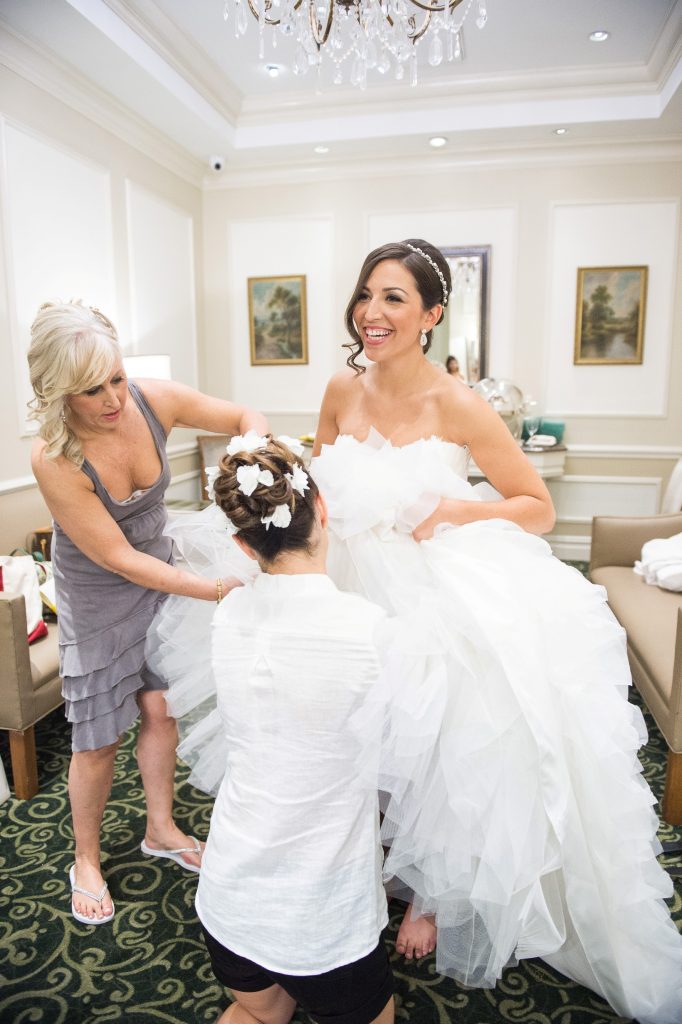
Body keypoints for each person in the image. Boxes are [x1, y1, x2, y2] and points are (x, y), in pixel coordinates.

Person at [308, 239, 682, 1024]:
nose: (372, 313)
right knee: (360, 730)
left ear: (432, 315)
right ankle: (370, 859)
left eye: (395, 299)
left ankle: (434, 890)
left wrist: (457, 509)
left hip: (434, 578)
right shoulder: (340, 386)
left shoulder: (460, 403)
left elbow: (536, 506)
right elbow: (318, 481)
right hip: (348, 580)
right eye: (366, 295)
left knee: (450, 733)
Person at [27, 300, 268, 926]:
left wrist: (249, 460)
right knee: (98, 740)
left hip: (165, 572)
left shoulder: (149, 399)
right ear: (57, 394)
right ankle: (85, 858)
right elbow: (117, 558)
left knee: (160, 709)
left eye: (115, 376)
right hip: (103, 595)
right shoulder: (53, 457)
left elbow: (244, 414)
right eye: (91, 389)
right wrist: (211, 590)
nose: (113, 398)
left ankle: (159, 828)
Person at [192, 434, 395, 1024]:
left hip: (228, 905)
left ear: (239, 542)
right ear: (323, 510)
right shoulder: (370, 629)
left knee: (262, 1014)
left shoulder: (227, 614)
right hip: (322, 916)